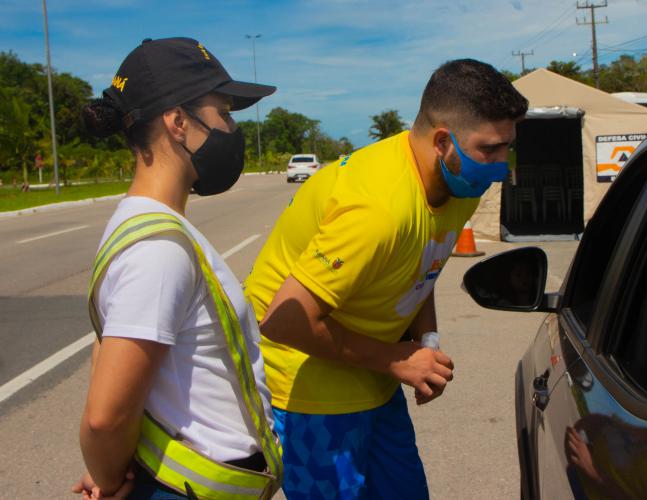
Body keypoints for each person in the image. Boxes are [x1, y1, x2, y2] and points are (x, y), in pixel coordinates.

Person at [243, 59, 528, 498]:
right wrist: (398, 360)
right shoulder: (378, 209)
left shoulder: (457, 184)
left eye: (507, 147)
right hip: (309, 386)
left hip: (371, 369)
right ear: (443, 142)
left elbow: (421, 266)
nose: (500, 164)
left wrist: (426, 344)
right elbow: (284, 321)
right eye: (490, 149)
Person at [72, 37, 281, 499]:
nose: (231, 128)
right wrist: (108, 478)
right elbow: (105, 418)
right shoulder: (159, 250)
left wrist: (110, 466)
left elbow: (107, 352)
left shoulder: (143, 224)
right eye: (223, 112)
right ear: (178, 123)